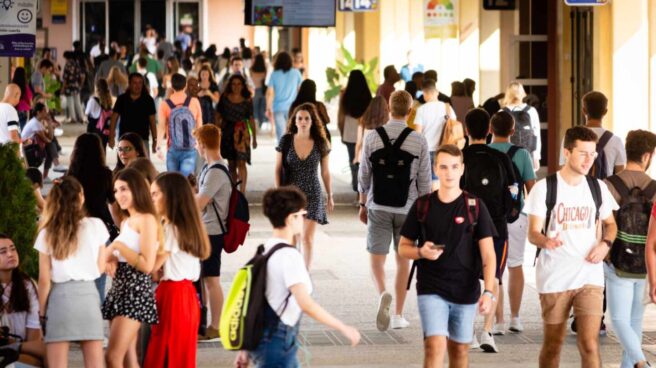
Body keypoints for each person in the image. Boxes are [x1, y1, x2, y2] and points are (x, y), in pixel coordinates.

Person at [234, 187, 360, 367]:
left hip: (266, 340)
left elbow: (254, 301)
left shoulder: (265, 249)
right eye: (302, 214)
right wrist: (342, 327)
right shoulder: (289, 256)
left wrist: (244, 350)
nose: (304, 218)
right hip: (277, 342)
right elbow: (305, 303)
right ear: (290, 218)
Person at [524, 126, 618, 367]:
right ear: (567, 152)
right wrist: (547, 241)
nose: (589, 160)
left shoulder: (598, 188)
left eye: (593, 154)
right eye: (583, 153)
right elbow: (533, 233)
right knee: (553, 345)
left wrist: (605, 245)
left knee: (589, 343)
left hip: (590, 276)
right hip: (555, 276)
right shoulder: (544, 188)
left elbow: (611, 225)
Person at [398, 144, 498, 367]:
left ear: (462, 169)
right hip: (431, 287)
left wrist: (489, 292)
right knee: (434, 347)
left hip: (465, 289)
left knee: (459, 353)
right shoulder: (423, 205)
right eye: (443, 167)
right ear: (436, 169)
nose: (449, 172)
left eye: (454, 167)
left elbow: (489, 255)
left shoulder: (475, 206)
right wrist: (420, 252)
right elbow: (403, 247)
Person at [358, 90, 431, 331]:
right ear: (410, 112)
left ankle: (382, 294)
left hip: (378, 206)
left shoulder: (372, 137)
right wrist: (424, 211)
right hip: (408, 209)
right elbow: (424, 181)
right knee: (403, 262)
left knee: (376, 261)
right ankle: (398, 314)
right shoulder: (418, 140)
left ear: (389, 109)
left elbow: (364, 174)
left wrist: (362, 203)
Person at [35, 176, 107, 367]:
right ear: (81, 197)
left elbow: (44, 280)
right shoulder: (96, 226)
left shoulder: (47, 233)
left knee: (57, 363)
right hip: (88, 297)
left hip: (60, 299)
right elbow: (100, 268)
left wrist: (42, 313)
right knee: (95, 363)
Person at [461, 108, 517, 352]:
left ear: (466, 130)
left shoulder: (460, 157)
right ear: (490, 130)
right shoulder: (502, 159)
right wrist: (507, 215)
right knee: (492, 278)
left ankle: (468, 332)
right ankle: (487, 331)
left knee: (466, 278)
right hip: (496, 226)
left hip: (465, 227)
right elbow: (514, 193)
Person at [144, 172, 210, 368]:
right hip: (188, 295)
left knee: (164, 352)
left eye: (155, 194)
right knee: (180, 354)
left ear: (170, 196)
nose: (151, 199)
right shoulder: (187, 226)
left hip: (173, 295)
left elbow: (152, 266)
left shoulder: (171, 229)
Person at [607, 130, 656, 368]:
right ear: (648, 155)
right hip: (645, 265)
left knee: (618, 319)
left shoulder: (610, 184)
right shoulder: (654, 188)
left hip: (617, 262)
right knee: (634, 321)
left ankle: (640, 363)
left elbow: (602, 225)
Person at [103, 168, 160, 368]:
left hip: (135, 291)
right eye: (116, 190)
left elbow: (147, 265)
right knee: (128, 359)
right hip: (120, 288)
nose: (119, 195)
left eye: (124, 189)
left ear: (136, 189)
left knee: (112, 357)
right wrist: (114, 258)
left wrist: (118, 247)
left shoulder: (147, 219)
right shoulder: (127, 221)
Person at [488, 111, 537, 335]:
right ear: (512, 131)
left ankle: (497, 321)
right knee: (515, 264)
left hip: (488, 218)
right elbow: (532, 189)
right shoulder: (522, 154)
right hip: (516, 216)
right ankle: (515, 318)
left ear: (490, 129)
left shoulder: (484, 153)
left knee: (494, 268)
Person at [275, 103, 334, 269]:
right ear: (294, 121)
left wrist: (330, 195)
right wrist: (278, 192)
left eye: (306, 118)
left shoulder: (321, 143)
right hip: (291, 196)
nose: (303, 121)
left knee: (307, 238)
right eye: (300, 118)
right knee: (294, 236)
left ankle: (305, 275)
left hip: (313, 193)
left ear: (312, 121)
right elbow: (277, 169)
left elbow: (325, 172)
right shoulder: (286, 141)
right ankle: (294, 271)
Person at [67, 133, 119, 301]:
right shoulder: (105, 174)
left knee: (78, 277)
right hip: (102, 230)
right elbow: (113, 203)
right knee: (99, 280)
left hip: (76, 230)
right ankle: (95, 316)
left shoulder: (70, 175)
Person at [194, 124, 231, 341]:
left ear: (203, 144)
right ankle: (205, 321)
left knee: (211, 279)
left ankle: (216, 325)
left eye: (197, 142)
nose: (196, 147)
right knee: (204, 278)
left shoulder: (216, 170)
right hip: (206, 229)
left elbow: (200, 202)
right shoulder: (211, 167)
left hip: (212, 232)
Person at [0, 233, 45, 366]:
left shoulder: (27, 285)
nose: (10, 254)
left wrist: (14, 345)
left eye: (13, 249)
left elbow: (34, 338)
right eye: (3, 251)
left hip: (19, 348)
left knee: (50, 351)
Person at [559, 91, 626, 177]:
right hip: (604, 189)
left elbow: (563, 168)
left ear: (583, 111)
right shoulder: (616, 141)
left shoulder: (570, 137)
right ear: (605, 112)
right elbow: (620, 175)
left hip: (576, 189)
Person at [216, 74, 257, 192]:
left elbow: (251, 119)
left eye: (239, 84)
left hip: (242, 134)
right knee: (232, 164)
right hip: (227, 132)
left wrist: (254, 138)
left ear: (243, 85)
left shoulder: (247, 99)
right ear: (230, 85)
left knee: (242, 162)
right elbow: (218, 115)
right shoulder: (224, 98)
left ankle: (242, 192)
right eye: (233, 84)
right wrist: (217, 132)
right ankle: (234, 191)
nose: (236, 86)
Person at [414, 79, 457, 189]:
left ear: (424, 93)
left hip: (426, 151)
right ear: (436, 92)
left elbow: (417, 135)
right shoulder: (447, 108)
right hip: (444, 149)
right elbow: (455, 128)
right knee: (441, 182)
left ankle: (430, 204)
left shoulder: (421, 110)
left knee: (427, 183)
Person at [157, 73, 202, 177]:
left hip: (172, 147)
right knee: (185, 181)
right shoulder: (194, 102)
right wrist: (199, 144)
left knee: (173, 181)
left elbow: (162, 127)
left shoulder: (165, 104)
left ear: (172, 86)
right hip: (190, 147)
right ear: (185, 85)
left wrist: (158, 146)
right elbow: (199, 126)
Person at [339, 70, 372, 194]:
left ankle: (355, 184)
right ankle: (362, 188)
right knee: (363, 160)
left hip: (349, 130)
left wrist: (341, 131)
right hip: (363, 130)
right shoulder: (367, 95)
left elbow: (341, 115)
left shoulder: (346, 95)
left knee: (352, 158)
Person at [109, 73, 157, 154]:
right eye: (135, 83)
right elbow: (114, 118)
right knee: (125, 165)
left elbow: (152, 121)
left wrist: (155, 140)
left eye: (140, 83)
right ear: (129, 84)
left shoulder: (149, 100)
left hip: (142, 140)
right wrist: (111, 138)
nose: (137, 86)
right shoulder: (122, 99)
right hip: (125, 139)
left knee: (142, 165)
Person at [503, 82, 542, 170]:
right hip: (527, 155)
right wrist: (536, 157)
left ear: (508, 94)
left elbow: (496, 137)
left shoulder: (501, 112)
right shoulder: (531, 111)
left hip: (507, 157)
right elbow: (536, 135)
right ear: (523, 93)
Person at [21, 103, 66, 178]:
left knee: (51, 145)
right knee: (51, 145)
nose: (47, 113)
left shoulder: (38, 122)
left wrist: (49, 123)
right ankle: (55, 165)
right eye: (44, 111)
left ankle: (46, 175)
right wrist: (50, 141)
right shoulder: (34, 123)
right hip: (27, 148)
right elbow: (46, 139)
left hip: (33, 146)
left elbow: (50, 137)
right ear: (38, 112)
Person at [266, 52, 302, 142]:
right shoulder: (296, 73)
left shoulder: (274, 74)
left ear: (277, 62)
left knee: (281, 134)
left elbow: (270, 93)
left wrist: (268, 108)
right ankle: (292, 153)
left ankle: (282, 154)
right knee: (293, 133)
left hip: (278, 108)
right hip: (293, 108)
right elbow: (300, 90)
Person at [354, 95, 388, 165]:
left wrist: (356, 157)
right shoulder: (388, 122)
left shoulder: (363, 120)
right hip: (382, 159)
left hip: (365, 158)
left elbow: (359, 142)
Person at [85, 78, 113, 150]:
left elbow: (86, 113)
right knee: (103, 151)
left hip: (95, 132)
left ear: (96, 88)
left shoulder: (92, 100)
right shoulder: (109, 101)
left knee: (94, 153)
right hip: (105, 132)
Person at [61, 51, 86, 125]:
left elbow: (65, 78)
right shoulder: (77, 64)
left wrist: (63, 88)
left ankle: (73, 118)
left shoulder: (67, 64)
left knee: (70, 102)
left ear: (66, 57)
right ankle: (81, 118)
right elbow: (81, 76)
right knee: (78, 102)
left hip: (69, 86)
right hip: (76, 86)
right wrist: (80, 85)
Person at [250, 53, 268, 128]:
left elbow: (250, 79)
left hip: (255, 90)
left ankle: (256, 123)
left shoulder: (251, 69)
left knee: (255, 107)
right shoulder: (265, 69)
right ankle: (262, 122)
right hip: (263, 90)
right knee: (262, 107)